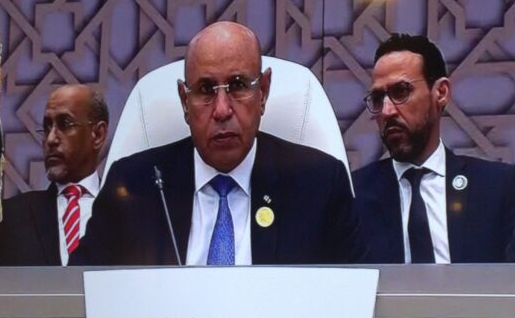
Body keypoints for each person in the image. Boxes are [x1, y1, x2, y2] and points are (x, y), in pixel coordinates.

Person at [71, 21, 365, 265]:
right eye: (205, 89)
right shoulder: (132, 186)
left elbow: (354, 298)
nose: (222, 110)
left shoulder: (319, 184)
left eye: (238, 86)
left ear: (263, 92)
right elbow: (78, 294)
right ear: (184, 101)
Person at [353, 34, 515, 264]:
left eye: (401, 92)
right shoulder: (354, 195)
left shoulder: (494, 187)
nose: (386, 111)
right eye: (377, 98)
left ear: (440, 92)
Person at [0, 84, 109, 266]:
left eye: (65, 124)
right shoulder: (10, 218)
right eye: (47, 127)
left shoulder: (127, 216)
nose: (51, 139)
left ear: (98, 135)